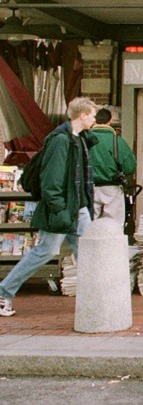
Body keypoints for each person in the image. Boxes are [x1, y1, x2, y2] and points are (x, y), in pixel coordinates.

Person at [1, 97, 99, 317]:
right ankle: (3, 292)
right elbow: (51, 181)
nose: (95, 120)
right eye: (92, 115)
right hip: (65, 208)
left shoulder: (80, 139)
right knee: (45, 251)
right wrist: (60, 209)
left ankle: (96, 301)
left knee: (87, 253)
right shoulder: (61, 141)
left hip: (78, 207)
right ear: (82, 115)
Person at [87, 108, 137, 223]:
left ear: (94, 120)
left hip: (89, 187)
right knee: (113, 226)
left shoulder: (84, 140)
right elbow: (130, 167)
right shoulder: (117, 141)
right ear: (110, 121)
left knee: (89, 225)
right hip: (112, 187)